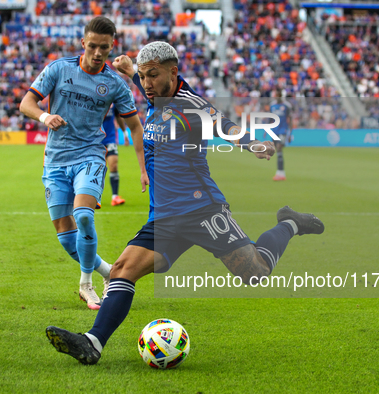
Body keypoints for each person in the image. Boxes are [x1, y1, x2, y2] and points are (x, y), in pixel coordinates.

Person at [45, 42, 324, 364]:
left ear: (173, 72)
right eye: (143, 77)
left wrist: (251, 143)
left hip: (201, 210)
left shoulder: (189, 104)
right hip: (164, 216)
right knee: (122, 270)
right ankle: (92, 343)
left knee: (255, 272)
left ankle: (289, 222)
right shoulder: (154, 91)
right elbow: (142, 76)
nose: (146, 84)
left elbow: (222, 123)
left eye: (153, 76)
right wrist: (128, 69)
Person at [19, 17, 148, 310]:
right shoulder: (58, 68)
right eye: (93, 46)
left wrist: (142, 168)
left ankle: (86, 285)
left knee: (85, 216)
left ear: (112, 46)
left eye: (104, 47)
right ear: (83, 43)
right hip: (54, 161)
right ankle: (109, 272)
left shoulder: (115, 83)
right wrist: (44, 117)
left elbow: (135, 126)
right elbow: (26, 103)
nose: (98, 53)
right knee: (67, 239)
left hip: (90, 156)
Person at [102, 103, 129, 206]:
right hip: (94, 139)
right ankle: (93, 197)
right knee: (96, 169)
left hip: (110, 138)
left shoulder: (113, 99)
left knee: (113, 165)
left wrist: (125, 134)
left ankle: (115, 197)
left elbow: (118, 117)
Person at [268, 90, 293, 181]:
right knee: (277, 151)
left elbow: (290, 120)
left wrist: (290, 133)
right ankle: (279, 173)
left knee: (279, 148)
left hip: (283, 130)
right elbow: (270, 118)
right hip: (274, 131)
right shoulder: (272, 105)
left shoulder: (286, 106)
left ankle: (281, 173)